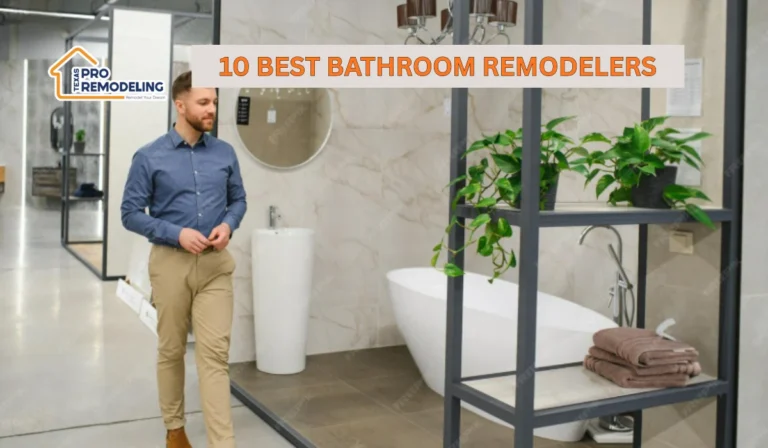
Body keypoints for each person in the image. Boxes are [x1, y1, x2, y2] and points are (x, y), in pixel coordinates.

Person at [121, 70, 247, 448]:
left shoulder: (224, 153)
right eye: (203, 102)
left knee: (214, 358)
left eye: (213, 101)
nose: (212, 109)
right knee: (172, 350)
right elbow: (130, 213)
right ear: (180, 105)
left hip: (215, 268)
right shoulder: (149, 156)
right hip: (170, 266)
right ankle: (175, 429)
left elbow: (239, 199)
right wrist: (176, 233)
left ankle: (222, 444)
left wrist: (228, 224)